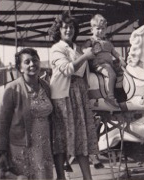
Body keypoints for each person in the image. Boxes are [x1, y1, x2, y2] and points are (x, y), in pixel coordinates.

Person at [48, 11, 99, 180]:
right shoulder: (56, 49)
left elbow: (84, 71)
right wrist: (85, 56)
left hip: (78, 95)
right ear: (59, 30)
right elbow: (68, 69)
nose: (68, 30)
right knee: (62, 138)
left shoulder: (76, 48)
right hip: (63, 96)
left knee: (80, 137)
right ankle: (61, 177)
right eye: (64, 27)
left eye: (71, 27)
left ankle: (87, 177)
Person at [0, 48, 54, 179]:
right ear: (20, 68)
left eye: (35, 60)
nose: (32, 64)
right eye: (27, 62)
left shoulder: (46, 86)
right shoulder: (12, 88)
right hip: (22, 146)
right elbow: (3, 123)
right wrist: (2, 151)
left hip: (44, 146)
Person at [82, 14, 126, 108]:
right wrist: (87, 51)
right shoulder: (91, 40)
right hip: (99, 64)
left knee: (121, 73)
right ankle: (110, 97)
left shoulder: (108, 42)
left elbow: (114, 52)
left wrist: (120, 57)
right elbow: (83, 49)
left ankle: (119, 94)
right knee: (111, 74)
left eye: (103, 28)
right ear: (92, 30)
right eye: (98, 28)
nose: (100, 31)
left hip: (109, 63)